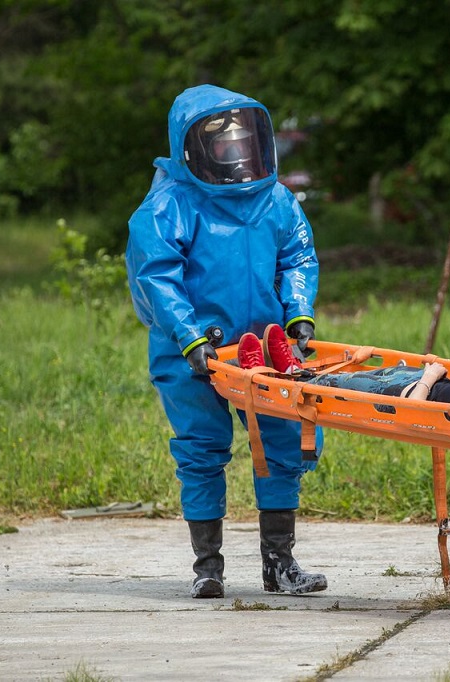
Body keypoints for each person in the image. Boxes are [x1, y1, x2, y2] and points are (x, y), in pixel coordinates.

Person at [126, 84, 325, 600]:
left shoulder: (275, 199)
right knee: (201, 449)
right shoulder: (168, 206)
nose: (236, 153)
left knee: (282, 445)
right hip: (191, 354)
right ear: (193, 147)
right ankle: (207, 569)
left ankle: (279, 566)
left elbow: (298, 257)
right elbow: (157, 278)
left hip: (264, 350)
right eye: (222, 144)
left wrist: (299, 313)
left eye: (242, 142)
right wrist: (190, 338)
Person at [237, 325, 450, 425]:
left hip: (397, 394)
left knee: (336, 384)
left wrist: (430, 377)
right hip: (409, 377)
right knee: (343, 375)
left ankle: (279, 376)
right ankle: (293, 371)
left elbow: (414, 410)